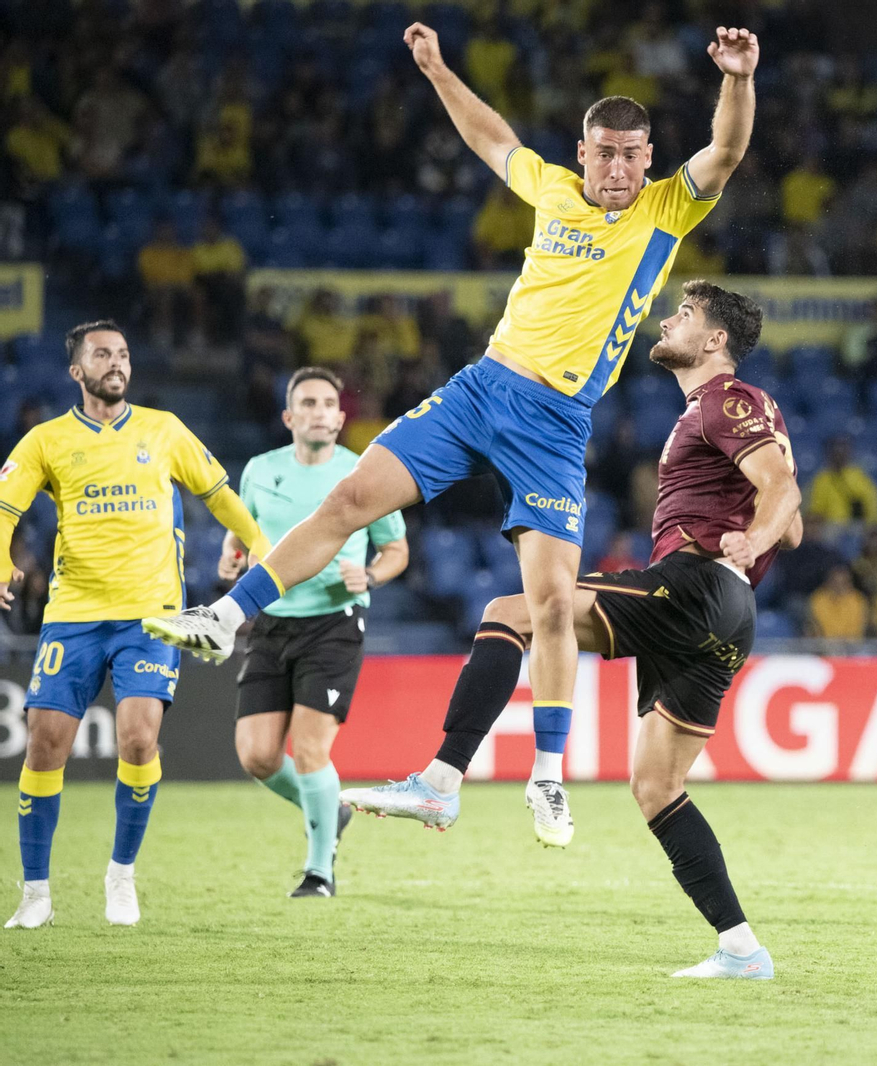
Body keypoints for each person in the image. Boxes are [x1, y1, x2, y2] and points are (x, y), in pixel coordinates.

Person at [143, 23, 761, 851]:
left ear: (650, 158)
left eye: (630, 154)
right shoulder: (550, 190)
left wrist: (739, 77)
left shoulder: (664, 208)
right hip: (480, 389)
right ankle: (225, 618)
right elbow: (489, 136)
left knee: (547, 604)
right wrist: (436, 69)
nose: (617, 168)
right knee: (351, 498)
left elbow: (725, 148)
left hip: (553, 421)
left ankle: (548, 777)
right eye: (603, 153)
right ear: (582, 154)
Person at [342, 282, 799, 979]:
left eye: (685, 314)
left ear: (714, 341)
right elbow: (790, 523)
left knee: (510, 614)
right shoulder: (722, 414)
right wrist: (761, 533)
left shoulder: (725, 399)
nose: (668, 320)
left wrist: (747, 537)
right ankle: (741, 947)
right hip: (727, 617)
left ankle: (440, 780)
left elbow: (784, 497)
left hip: (697, 584)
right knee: (656, 788)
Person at [1, 321, 270, 929]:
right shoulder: (46, 440)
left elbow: (219, 491)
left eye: (123, 353)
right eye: (102, 354)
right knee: (45, 747)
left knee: (139, 740)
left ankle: (120, 877)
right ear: (77, 371)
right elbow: (5, 507)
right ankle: (36, 891)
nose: (116, 363)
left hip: (151, 615)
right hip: (72, 615)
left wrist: (259, 540)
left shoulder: (164, 429)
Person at [224, 368, 410, 899]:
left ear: (341, 416)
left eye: (329, 403)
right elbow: (244, 534)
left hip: (334, 621)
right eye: (308, 403)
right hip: (273, 620)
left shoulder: (362, 475)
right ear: (289, 417)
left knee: (309, 749)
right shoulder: (259, 471)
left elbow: (397, 550)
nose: (320, 411)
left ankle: (318, 872)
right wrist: (233, 556)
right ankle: (333, 811)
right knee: (257, 756)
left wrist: (370, 573)